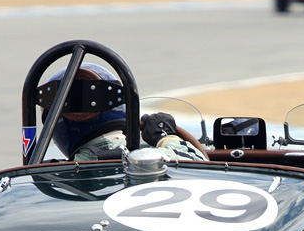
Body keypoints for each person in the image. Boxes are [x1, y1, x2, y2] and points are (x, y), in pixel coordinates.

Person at [46, 64, 208, 162]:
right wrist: (165, 136)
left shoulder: (54, 176)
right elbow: (201, 163)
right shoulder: (149, 160)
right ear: (120, 105)